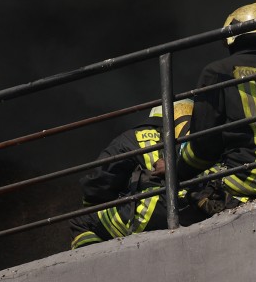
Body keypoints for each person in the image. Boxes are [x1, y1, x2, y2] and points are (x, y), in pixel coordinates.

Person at [175, 2, 256, 218]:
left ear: (231, 38)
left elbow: (203, 147)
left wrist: (175, 171)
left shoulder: (219, 72)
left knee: (177, 200)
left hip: (243, 180)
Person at [70, 101, 193, 249]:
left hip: (155, 210)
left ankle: (98, 265)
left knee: (82, 220)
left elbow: (99, 181)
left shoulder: (133, 137)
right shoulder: (200, 137)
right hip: (197, 202)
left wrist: (98, 201)